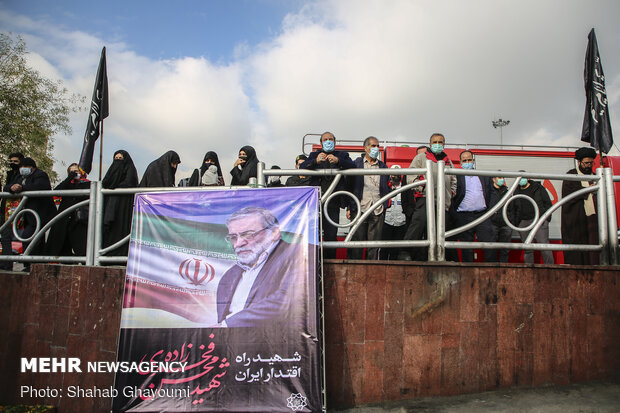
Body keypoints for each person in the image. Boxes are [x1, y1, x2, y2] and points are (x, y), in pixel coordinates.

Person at [216, 207, 308, 327]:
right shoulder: (229, 276)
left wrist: (227, 325)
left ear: (274, 232)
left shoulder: (300, 253)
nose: (238, 243)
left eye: (248, 235)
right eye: (233, 237)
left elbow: (290, 298)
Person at [300, 132, 355, 259]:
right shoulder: (314, 154)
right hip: (316, 203)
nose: (328, 141)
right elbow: (302, 167)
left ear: (335, 142)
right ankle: (315, 261)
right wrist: (315, 161)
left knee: (331, 235)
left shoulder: (342, 155)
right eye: (325, 139)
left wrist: (338, 161)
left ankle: (331, 262)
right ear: (321, 143)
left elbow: (352, 166)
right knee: (314, 234)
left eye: (331, 139)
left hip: (333, 202)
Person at [403, 133, 456, 261]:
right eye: (435, 142)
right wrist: (422, 188)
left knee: (440, 230)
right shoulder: (421, 158)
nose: (438, 145)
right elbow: (410, 176)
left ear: (444, 144)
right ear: (430, 144)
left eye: (441, 142)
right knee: (419, 222)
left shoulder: (447, 161)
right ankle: (405, 250)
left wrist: (451, 193)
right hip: (425, 198)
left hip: (443, 201)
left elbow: (454, 179)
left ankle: (438, 256)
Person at [8, 157, 56, 271]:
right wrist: (12, 187)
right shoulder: (20, 177)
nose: (22, 169)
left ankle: (33, 265)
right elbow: (9, 186)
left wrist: (22, 188)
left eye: (24, 167)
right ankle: (33, 265)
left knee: (30, 237)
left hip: (41, 214)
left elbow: (40, 187)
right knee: (35, 239)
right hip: (30, 215)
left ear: (31, 167)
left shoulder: (41, 175)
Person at [347, 136, 389, 260]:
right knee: (356, 244)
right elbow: (350, 186)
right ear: (365, 148)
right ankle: (355, 270)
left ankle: (372, 270)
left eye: (378, 146)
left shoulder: (383, 167)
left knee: (374, 245)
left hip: (377, 208)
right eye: (373, 146)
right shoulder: (356, 164)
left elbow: (386, 187)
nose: (376, 148)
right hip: (360, 208)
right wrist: (350, 207)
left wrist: (385, 204)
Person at [451, 150, 494, 262]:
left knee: (488, 244)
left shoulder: (483, 175)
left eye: (469, 160)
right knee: (467, 247)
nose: (467, 162)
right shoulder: (457, 176)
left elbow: (490, 192)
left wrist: (490, 211)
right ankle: (467, 272)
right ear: (460, 163)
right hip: (463, 216)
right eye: (464, 160)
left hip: (482, 215)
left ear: (473, 161)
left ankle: (490, 270)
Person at [561, 147, 599, 265]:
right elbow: (570, 195)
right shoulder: (571, 175)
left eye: (591, 163)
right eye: (586, 163)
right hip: (575, 221)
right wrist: (588, 189)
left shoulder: (595, 176)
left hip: (592, 220)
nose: (588, 165)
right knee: (576, 253)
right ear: (579, 162)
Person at [45, 163, 90, 256]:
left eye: (76, 171)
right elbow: (57, 192)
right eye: (71, 172)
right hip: (64, 216)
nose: (74, 173)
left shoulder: (87, 183)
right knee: (61, 239)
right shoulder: (67, 183)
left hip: (80, 217)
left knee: (80, 241)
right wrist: (70, 178)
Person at [102, 150, 139, 256]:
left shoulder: (130, 170)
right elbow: (106, 182)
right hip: (110, 206)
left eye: (120, 159)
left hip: (124, 206)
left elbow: (129, 183)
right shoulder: (111, 172)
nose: (117, 161)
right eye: (116, 159)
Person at [512, 172, 554, 264]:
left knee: (544, 246)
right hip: (523, 222)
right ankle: (529, 270)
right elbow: (513, 207)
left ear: (528, 178)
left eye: (523, 178)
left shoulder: (538, 188)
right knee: (527, 248)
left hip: (539, 220)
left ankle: (551, 269)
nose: (521, 180)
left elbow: (547, 203)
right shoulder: (515, 191)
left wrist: (546, 218)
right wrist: (517, 222)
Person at [0, 152, 24, 270]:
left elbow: (19, 187)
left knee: (15, 235)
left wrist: (13, 187)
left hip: (17, 208)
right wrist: (10, 187)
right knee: (5, 236)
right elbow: (6, 187)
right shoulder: (10, 174)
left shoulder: (23, 174)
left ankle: (26, 262)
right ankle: (5, 262)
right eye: (11, 161)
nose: (12, 164)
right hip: (6, 207)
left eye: (15, 161)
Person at [381, 165, 410, 260]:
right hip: (387, 221)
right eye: (393, 173)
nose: (395, 176)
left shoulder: (406, 188)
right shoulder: (385, 187)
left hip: (401, 222)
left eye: (397, 173)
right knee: (384, 248)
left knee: (396, 250)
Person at [488, 175, 513, 262]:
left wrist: (511, 220)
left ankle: (504, 268)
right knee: (491, 248)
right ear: (493, 179)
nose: (501, 180)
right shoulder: (489, 192)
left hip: (506, 224)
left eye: (503, 178)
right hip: (492, 223)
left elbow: (512, 207)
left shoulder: (507, 192)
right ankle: (492, 268)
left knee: (505, 249)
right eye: (499, 178)